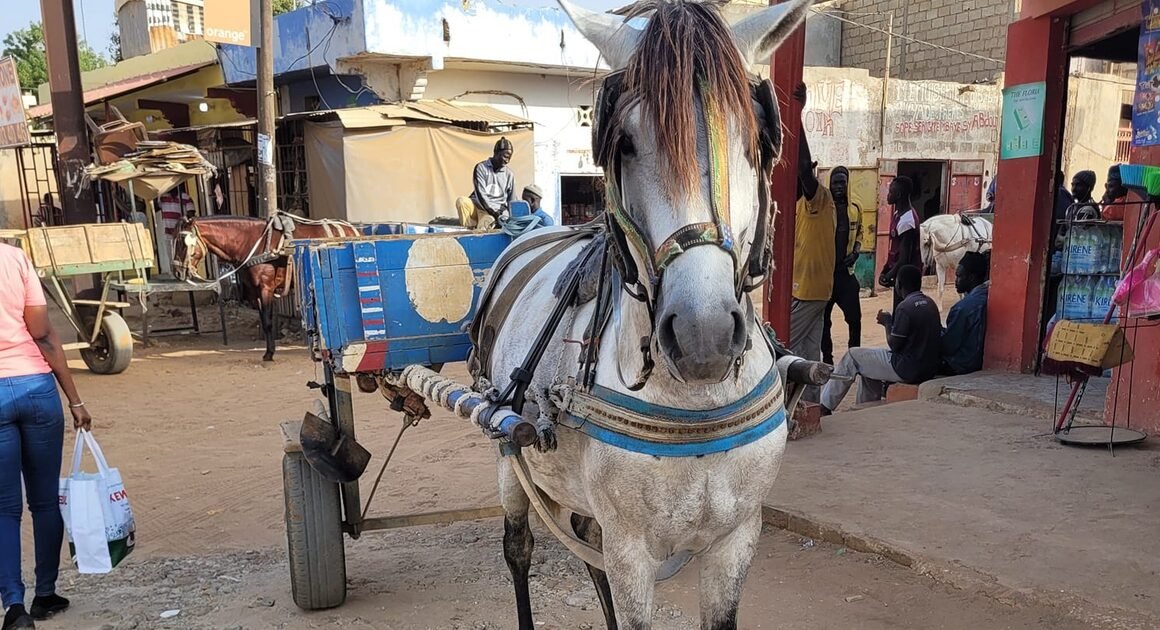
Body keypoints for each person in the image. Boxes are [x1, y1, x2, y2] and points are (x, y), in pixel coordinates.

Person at [1, 243, 91, 630]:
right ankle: (45, 594)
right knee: (44, 500)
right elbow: (42, 333)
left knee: (4, 509)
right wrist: (75, 400)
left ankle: (14, 607)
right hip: (37, 389)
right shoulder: (15, 259)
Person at [820, 265, 942, 413]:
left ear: (899, 284)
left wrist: (887, 322)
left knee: (852, 355)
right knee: (868, 363)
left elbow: (894, 345)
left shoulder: (905, 307)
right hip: (926, 368)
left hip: (905, 368)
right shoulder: (931, 304)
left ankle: (824, 406)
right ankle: (864, 408)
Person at [789, 83, 837, 397]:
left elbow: (804, 169)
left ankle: (781, 406)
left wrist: (796, 116)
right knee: (808, 351)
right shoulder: (797, 208)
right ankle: (810, 404)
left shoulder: (818, 200)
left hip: (807, 290)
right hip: (814, 290)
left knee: (784, 348)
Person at [821, 166, 862, 366]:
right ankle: (827, 359)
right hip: (826, 276)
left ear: (847, 184)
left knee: (854, 320)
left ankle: (854, 358)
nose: (838, 187)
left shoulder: (855, 209)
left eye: (842, 182)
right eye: (835, 182)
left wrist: (855, 253)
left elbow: (860, 233)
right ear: (829, 184)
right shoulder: (823, 210)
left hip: (846, 274)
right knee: (823, 322)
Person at [941, 251, 990, 376]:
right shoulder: (986, 296)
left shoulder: (963, 308)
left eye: (959, 276)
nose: (956, 281)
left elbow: (948, 346)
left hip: (961, 364)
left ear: (972, 278)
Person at [878, 176, 922, 309]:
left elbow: (904, 258)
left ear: (899, 195)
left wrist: (888, 276)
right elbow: (894, 250)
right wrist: (885, 269)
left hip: (906, 277)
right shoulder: (899, 214)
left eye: (891, 192)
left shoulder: (907, 221)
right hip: (900, 273)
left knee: (902, 310)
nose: (888, 194)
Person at [455, 138, 516, 230]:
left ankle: (484, 225)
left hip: (498, 211)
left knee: (487, 221)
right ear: (495, 153)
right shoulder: (481, 168)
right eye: (504, 156)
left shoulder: (509, 174)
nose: (507, 161)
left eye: (509, 158)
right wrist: (492, 212)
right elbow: (480, 194)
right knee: (462, 201)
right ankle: (469, 230)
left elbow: (512, 200)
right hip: (480, 206)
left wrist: (507, 216)